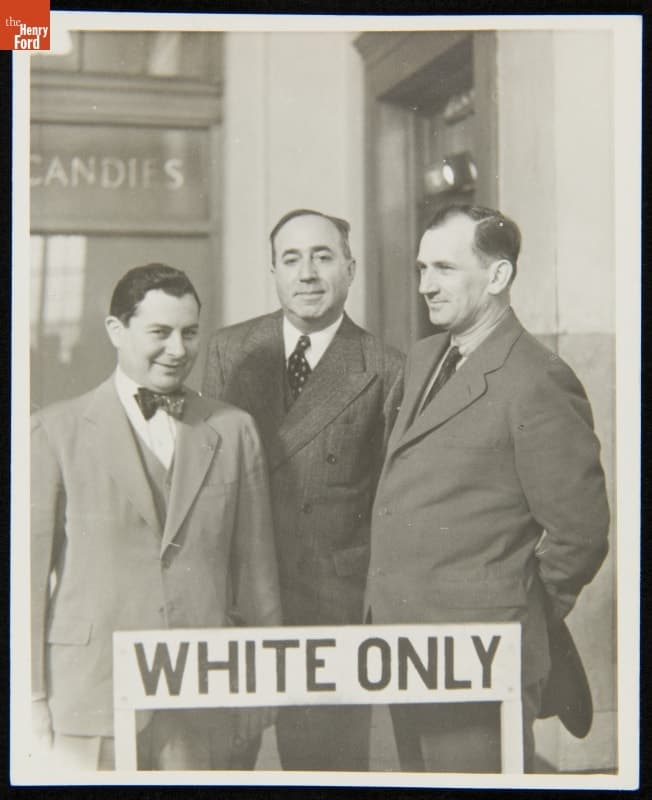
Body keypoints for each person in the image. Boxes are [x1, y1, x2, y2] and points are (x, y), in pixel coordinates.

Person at [366, 204, 610, 773]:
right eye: (422, 269)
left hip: (481, 657)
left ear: (498, 276)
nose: (426, 285)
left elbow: (581, 534)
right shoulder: (427, 355)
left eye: (445, 269)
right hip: (404, 648)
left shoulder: (536, 378)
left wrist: (513, 608)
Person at [31, 263, 281, 771]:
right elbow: (26, 585)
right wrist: (31, 697)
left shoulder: (234, 431)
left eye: (189, 333)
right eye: (160, 333)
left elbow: (257, 575)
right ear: (115, 331)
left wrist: (261, 686)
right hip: (89, 693)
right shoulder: (53, 432)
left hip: (200, 693)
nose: (178, 349)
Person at [203, 209, 404, 771]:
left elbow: (388, 505)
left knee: (327, 771)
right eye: (291, 259)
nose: (307, 273)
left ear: (350, 268)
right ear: (273, 270)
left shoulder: (385, 368)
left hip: (331, 609)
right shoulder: (228, 350)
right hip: (239, 600)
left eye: (323, 256)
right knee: (221, 765)